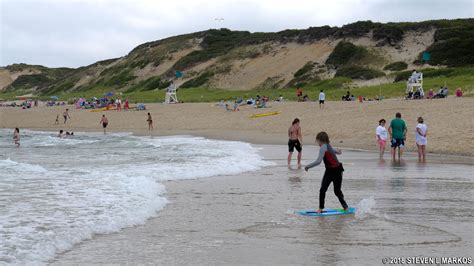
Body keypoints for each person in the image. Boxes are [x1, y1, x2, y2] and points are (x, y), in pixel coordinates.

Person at [305, 132, 348, 213]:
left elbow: (318, 161)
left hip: (334, 171)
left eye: (317, 141)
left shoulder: (323, 147)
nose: (317, 143)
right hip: (335, 170)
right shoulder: (328, 145)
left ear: (320, 140)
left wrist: (308, 166)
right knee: (336, 191)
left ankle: (321, 208)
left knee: (325, 190)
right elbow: (335, 151)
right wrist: (339, 151)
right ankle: (345, 207)